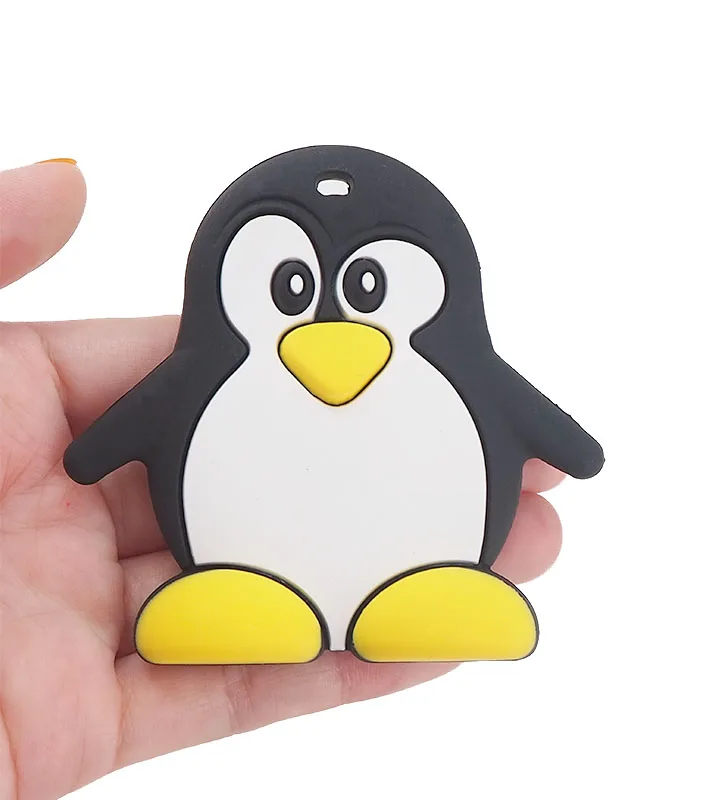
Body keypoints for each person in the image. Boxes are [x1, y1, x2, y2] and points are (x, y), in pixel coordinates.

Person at [0, 159, 565, 800]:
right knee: (245, 596)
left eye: (368, 287)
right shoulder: (213, 370)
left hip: (420, 576)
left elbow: (539, 424)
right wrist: (86, 457)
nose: (328, 324)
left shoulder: (451, 373)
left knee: (426, 591)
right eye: (293, 288)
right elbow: (108, 444)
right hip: (251, 581)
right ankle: (252, 595)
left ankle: (424, 591)